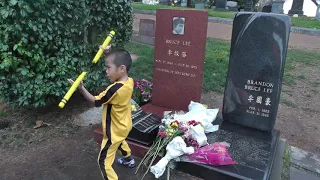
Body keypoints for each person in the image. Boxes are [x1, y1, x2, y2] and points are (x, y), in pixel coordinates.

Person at [68, 45, 135, 180]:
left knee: (103, 162)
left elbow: (96, 101)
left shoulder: (114, 90)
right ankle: (128, 160)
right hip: (124, 125)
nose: (106, 71)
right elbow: (116, 67)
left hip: (113, 131)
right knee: (120, 142)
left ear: (122, 69)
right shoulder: (129, 81)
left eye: (108, 68)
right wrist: (108, 54)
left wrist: (81, 89)